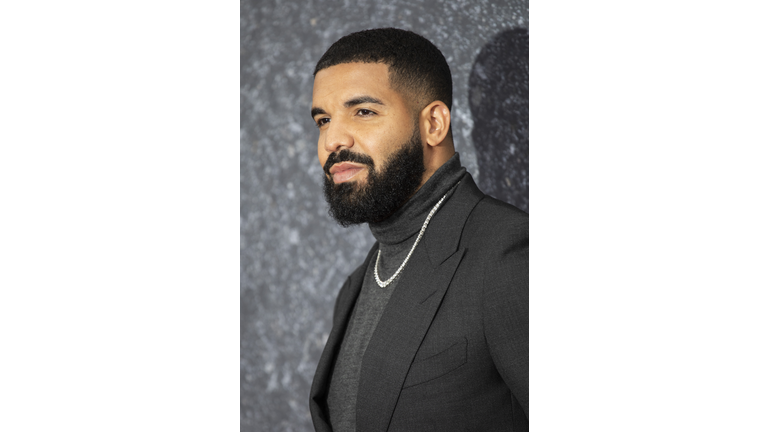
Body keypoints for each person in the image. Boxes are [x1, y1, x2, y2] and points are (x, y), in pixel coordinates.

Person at [308, 28, 528, 431]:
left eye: (363, 111)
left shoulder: (507, 253)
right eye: (323, 119)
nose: (333, 139)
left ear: (434, 124)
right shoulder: (357, 283)